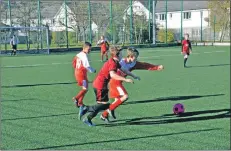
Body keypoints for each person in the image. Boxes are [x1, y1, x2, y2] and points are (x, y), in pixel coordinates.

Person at [77, 46, 136, 126]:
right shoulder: (113, 63)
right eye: (121, 54)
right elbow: (113, 75)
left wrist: (133, 75)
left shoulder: (115, 62)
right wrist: (125, 79)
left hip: (100, 85)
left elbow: (123, 70)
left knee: (101, 105)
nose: (123, 55)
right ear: (116, 55)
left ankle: (88, 119)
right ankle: (86, 108)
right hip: (100, 86)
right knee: (105, 105)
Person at [100, 48, 164, 122]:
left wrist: (157, 67)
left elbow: (144, 65)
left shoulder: (133, 63)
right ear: (130, 56)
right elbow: (112, 72)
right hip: (114, 82)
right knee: (125, 97)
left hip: (119, 82)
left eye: (136, 57)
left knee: (117, 101)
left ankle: (104, 115)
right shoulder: (121, 62)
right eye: (135, 57)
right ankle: (109, 110)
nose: (136, 58)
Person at [72, 42, 96, 119]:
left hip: (77, 73)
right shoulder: (84, 56)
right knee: (85, 89)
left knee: (84, 88)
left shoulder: (78, 55)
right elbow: (87, 65)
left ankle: (80, 102)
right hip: (82, 74)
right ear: (84, 48)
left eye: (90, 49)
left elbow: (74, 64)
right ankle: (76, 98)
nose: (90, 51)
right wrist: (93, 70)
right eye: (89, 49)